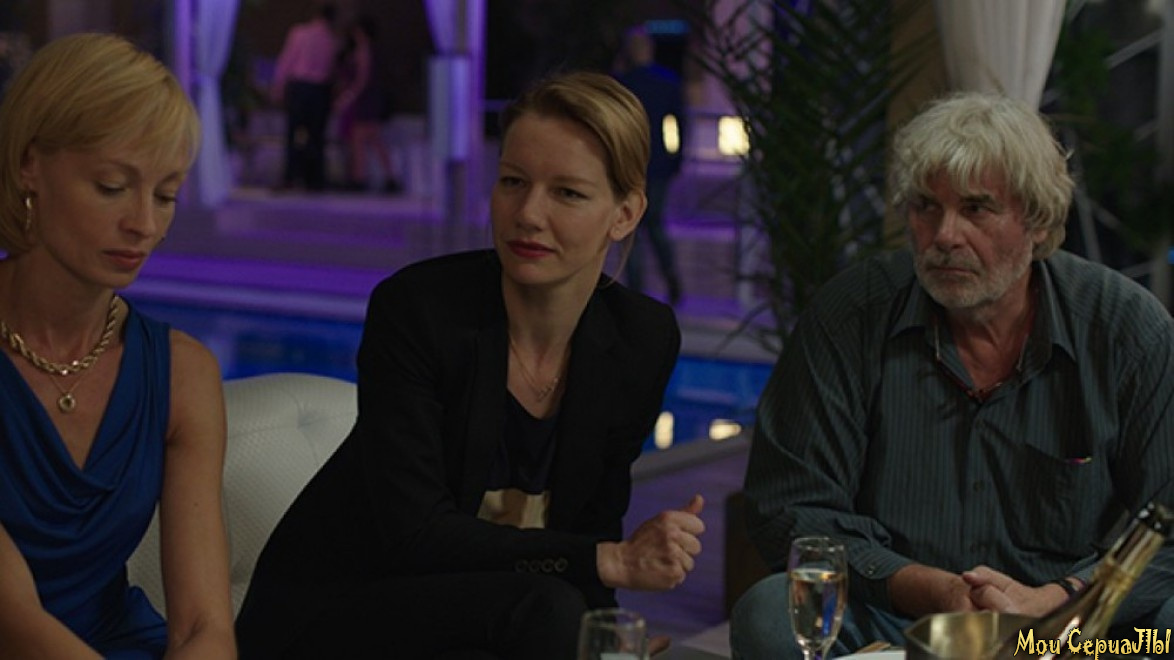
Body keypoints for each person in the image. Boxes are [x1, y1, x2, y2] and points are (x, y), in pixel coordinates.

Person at [235, 71, 704, 659]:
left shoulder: (641, 338)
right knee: (547, 610)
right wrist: (604, 564)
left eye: (567, 193)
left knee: (562, 617)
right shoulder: (419, 311)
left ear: (626, 213)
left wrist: (603, 643)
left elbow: (591, 527)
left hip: (491, 621)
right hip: (341, 611)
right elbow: (415, 535)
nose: (527, 213)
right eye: (513, 181)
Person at [730, 92, 1174, 658]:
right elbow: (791, 507)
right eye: (926, 207)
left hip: (1073, 631)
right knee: (771, 615)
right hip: (899, 616)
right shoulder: (851, 316)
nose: (944, 235)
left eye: (977, 209)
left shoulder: (1126, 330)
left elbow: (1168, 527)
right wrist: (929, 589)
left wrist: (1059, 600)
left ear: (1037, 222)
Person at [0, 33, 235, 658]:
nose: (145, 224)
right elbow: (12, 618)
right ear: (29, 164)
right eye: (111, 186)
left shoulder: (182, 371)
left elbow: (204, 627)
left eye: (165, 195)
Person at [616, 26, 684, 306]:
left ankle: (636, 293)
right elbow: (680, 124)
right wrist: (675, 158)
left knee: (631, 230)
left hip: (629, 163)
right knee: (654, 224)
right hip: (656, 163)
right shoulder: (667, 82)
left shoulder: (623, 83)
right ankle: (671, 278)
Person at [270, 3, 340, 192]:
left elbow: (286, 61)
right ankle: (315, 179)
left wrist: (278, 86)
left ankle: (290, 177)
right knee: (316, 136)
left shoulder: (300, 33)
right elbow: (332, 69)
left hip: (300, 87)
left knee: (293, 134)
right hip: (320, 90)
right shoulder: (332, 39)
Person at [334, 14, 402, 194]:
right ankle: (388, 177)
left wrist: (347, 98)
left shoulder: (363, 51)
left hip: (366, 100)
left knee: (361, 137)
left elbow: (361, 80)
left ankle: (360, 178)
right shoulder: (370, 50)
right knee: (373, 139)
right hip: (370, 99)